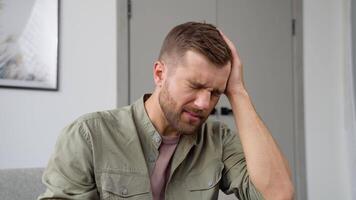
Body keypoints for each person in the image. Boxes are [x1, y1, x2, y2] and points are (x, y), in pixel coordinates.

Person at [38, 22, 294, 200]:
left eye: (216, 92)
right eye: (195, 86)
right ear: (160, 74)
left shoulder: (218, 139)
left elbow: (277, 196)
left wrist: (238, 92)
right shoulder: (88, 136)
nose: (205, 103)